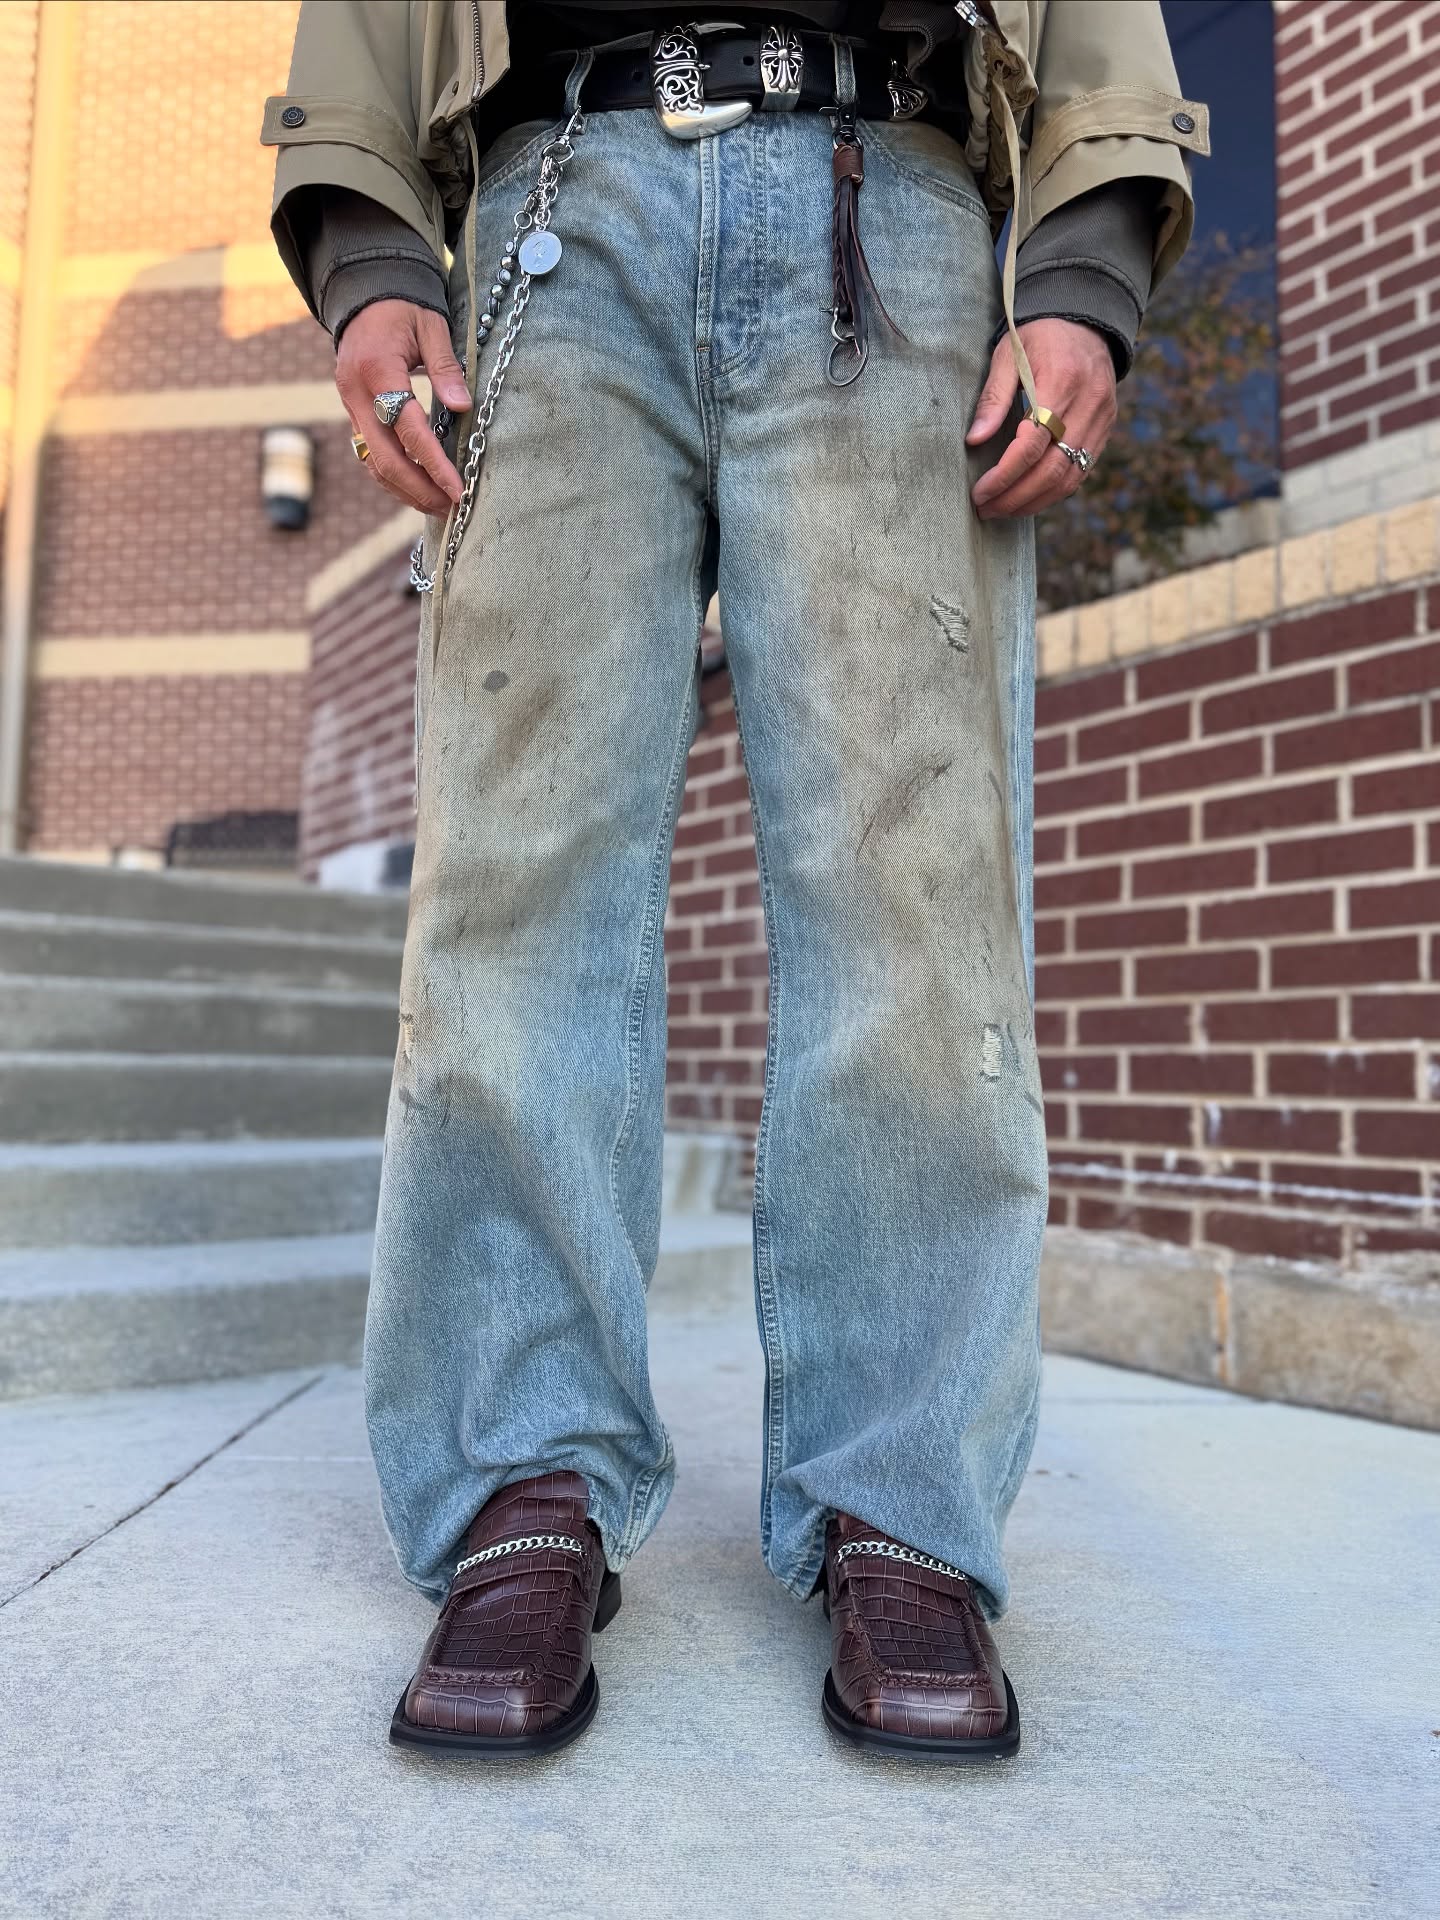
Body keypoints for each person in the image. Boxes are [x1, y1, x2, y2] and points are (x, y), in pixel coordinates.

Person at [263, 0, 1206, 1762]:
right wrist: (371, 239)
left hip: (889, 196)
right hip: (554, 205)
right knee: (518, 885)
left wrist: (1082, 260)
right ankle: (522, 1476)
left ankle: (901, 1500)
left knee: (912, 893)